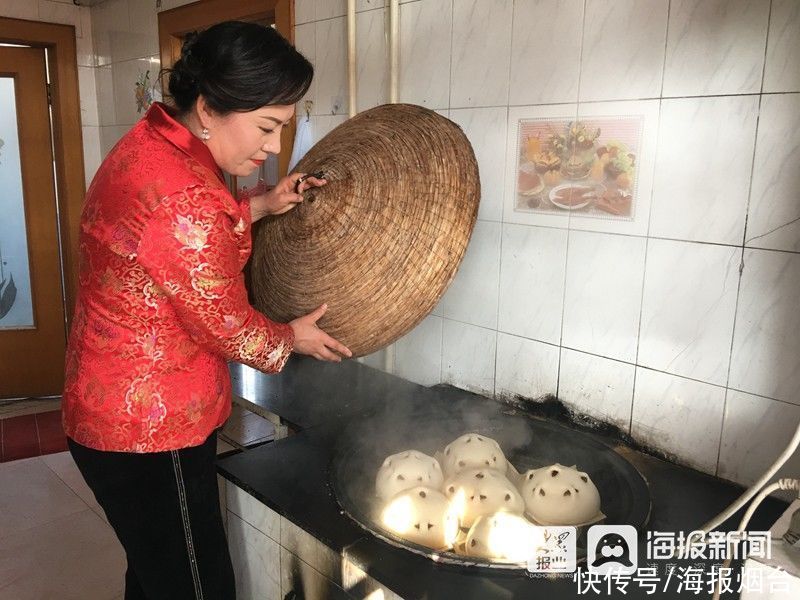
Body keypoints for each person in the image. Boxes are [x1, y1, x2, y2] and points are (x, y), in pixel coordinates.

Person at [62, 21, 350, 600]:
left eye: (282, 128)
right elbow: (226, 323)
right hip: (151, 427)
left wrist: (262, 204)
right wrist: (288, 337)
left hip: (107, 403)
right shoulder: (186, 195)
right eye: (267, 127)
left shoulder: (154, 143)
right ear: (209, 106)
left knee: (156, 573)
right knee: (196, 585)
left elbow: (171, 249)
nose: (273, 147)